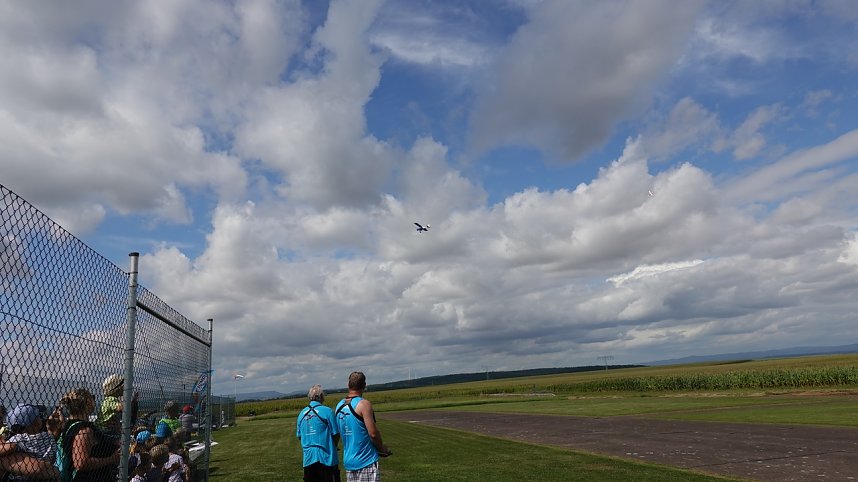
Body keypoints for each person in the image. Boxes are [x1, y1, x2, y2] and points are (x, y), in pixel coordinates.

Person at [49, 387, 120, 482]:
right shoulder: (84, 430)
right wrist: (111, 459)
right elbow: (81, 463)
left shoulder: (69, 425)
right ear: (87, 404)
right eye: (92, 398)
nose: (95, 400)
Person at [334, 372, 391, 482]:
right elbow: (373, 434)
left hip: (349, 462)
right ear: (364, 386)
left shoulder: (339, 406)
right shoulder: (364, 404)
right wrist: (382, 449)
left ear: (348, 385)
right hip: (366, 461)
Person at [296, 385, 340, 482]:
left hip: (308, 460)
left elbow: (299, 436)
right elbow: (336, 434)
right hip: (326, 459)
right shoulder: (328, 411)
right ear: (321, 396)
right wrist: (334, 445)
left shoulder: (301, 414)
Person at [3, 404, 56, 481]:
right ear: (37, 423)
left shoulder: (19, 438)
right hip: (47, 475)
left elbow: (5, 447)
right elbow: (53, 458)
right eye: (38, 416)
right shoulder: (49, 436)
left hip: (23, 478)